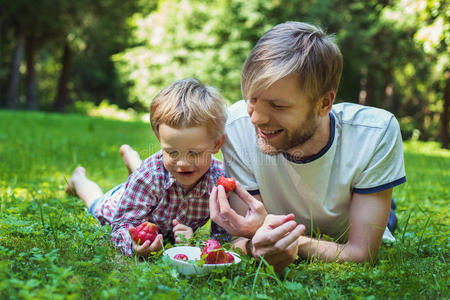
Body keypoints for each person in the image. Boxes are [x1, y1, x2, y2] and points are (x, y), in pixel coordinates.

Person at [209, 21, 406, 271]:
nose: (256, 118)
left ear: (324, 103)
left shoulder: (376, 132)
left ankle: (379, 199)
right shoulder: (236, 124)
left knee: (383, 216)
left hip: (347, 208)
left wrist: (288, 242)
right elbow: (245, 237)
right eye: (252, 99)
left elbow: (361, 253)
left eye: (278, 106)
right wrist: (253, 243)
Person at [66, 78, 227, 257]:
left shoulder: (219, 181)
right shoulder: (149, 176)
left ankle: (133, 161)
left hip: (146, 193)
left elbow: (223, 237)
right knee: (95, 202)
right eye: (172, 153)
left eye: (194, 153)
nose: (182, 163)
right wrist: (134, 246)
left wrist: (195, 243)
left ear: (216, 144)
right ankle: (78, 180)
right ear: (160, 140)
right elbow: (121, 226)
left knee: (149, 177)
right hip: (122, 201)